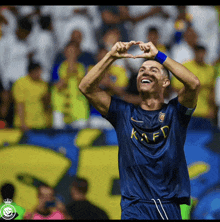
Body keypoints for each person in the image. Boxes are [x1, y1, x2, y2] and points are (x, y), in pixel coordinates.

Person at [79, 41, 200, 220]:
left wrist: (158, 55)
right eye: (142, 70)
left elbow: (194, 83)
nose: (145, 72)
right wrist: (111, 56)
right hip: (133, 206)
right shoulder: (122, 113)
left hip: (166, 205)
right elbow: (85, 87)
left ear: (166, 82)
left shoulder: (175, 113)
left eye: (153, 70)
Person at [171, 45, 217, 122]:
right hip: (188, 111)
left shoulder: (210, 69)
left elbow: (212, 90)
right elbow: (175, 87)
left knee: (204, 133)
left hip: (205, 112)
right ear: (194, 53)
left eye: (202, 53)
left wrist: (212, 109)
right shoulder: (186, 66)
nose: (200, 55)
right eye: (198, 53)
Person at [12, 62, 51, 131]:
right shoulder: (21, 83)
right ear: (31, 72)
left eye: (40, 71)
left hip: (41, 124)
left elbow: (46, 106)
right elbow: (20, 104)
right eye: (37, 72)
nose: (40, 74)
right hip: (27, 125)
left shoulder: (43, 84)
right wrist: (22, 123)